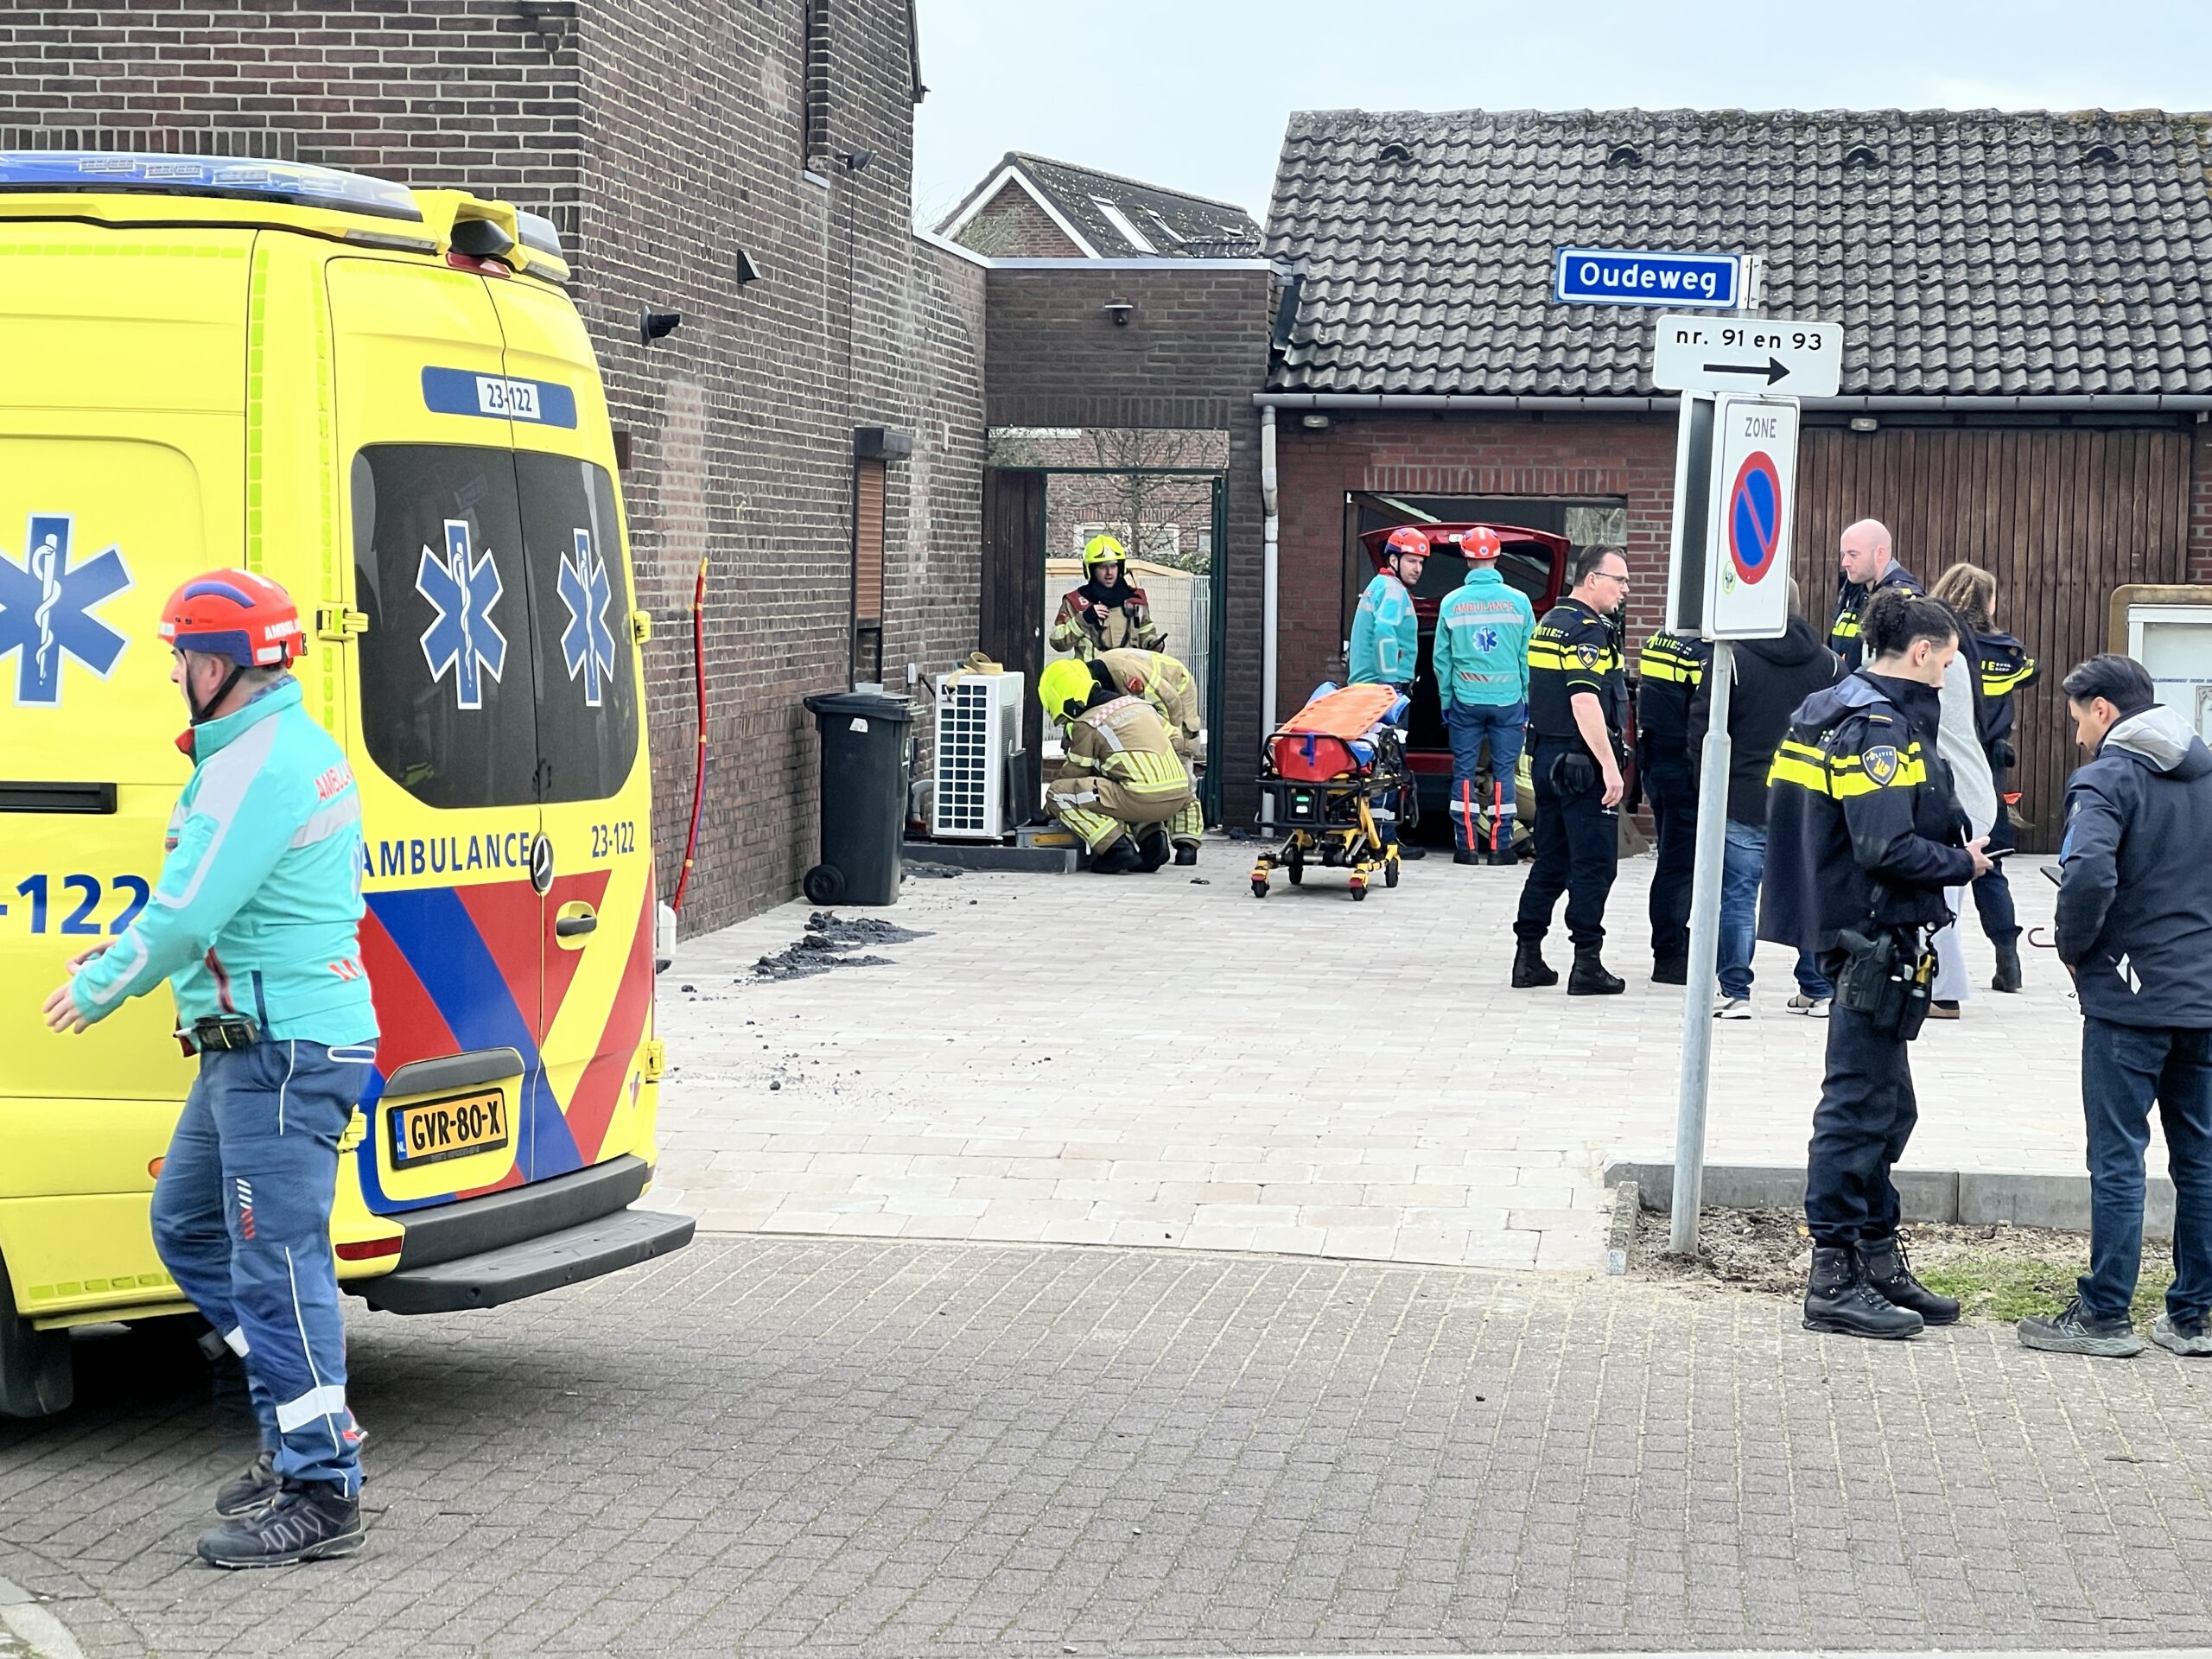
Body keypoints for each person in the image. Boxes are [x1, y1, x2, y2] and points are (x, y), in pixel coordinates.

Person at [39, 570, 378, 1567]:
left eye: (181, 655)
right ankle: (300, 1429)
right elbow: (216, 906)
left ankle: (322, 1486)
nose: (174, 672)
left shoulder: (256, 767)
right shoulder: (263, 749)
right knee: (188, 1226)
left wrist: (102, 985)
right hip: (252, 1047)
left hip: (281, 1051)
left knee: (277, 1264)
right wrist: (125, 952)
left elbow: (188, 917)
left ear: (220, 664)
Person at [1761, 588, 1992, 1338]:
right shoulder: (1879, 726)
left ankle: (1876, 1256)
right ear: (1921, 652)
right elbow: (1883, 845)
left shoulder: (1829, 706)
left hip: (1850, 926)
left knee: (1890, 1107)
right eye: (1946, 663)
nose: (1947, 677)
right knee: (1858, 1106)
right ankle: (1832, 1275)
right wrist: (1962, 863)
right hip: (1871, 935)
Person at [2018, 655, 2212, 1359]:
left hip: (2129, 999)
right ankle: (2195, 1317)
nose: (2077, 737)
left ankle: (2105, 1315)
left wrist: (2075, 947)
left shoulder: (2107, 777)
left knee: (2119, 1158)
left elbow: (2090, 873)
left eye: (2078, 720)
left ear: (2103, 710)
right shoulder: (2207, 772)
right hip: (2203, 999)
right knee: (2201, 1159)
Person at [1687, 578, 1843, 1018]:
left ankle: (1736, 991)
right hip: (1808, 800)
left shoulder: (1731, 662)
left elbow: (1701, 732)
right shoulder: (1832, 666)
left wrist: (1707, 789)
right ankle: (1817, 988)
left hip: (1744, 798)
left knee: (1738, 896)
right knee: (1810, 891)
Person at [1513, 545, 1633, 995]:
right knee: (1594, 865)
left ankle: (1528, 957)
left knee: (1552, 860)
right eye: (1619, 580)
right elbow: (1584, 702)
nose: (1625, 589)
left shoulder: (1549, 623)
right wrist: (1610, 767)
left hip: (1547, 759)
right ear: (1592, 579)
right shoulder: (1587, 631)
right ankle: (1587, 963)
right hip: (1582, 765)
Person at [1931, 563, 2038, 993]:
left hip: (1946, 762)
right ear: (1988, 602)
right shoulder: (2008, 652)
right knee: (1990, 864)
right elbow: (2030, 674)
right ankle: (2007, 959)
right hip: (1989, 764)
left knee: (1942, 862)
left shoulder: (1943, 649)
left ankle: (1941, 969)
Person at [1432, 526, 1534, 866]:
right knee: (1504, 773)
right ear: (1498, 556)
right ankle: (1500, 849)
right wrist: (1526, 700)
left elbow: (1441, 661)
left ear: (1466, 558)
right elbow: (1527, 658)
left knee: (1464, 771)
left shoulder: (1451, 603)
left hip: (1466, 700)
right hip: (1508, 701)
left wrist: (1446, 702)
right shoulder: (1520, 602)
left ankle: (1466, 848)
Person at [1038, 656, 1193, 874]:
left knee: (1059, 794)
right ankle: (1153, 845)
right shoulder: (1139, 705)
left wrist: (1047, 811)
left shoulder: (1088, 723)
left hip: (1142, 798)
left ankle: (1116, 849)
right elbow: (1176, 739)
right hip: (1178, 794)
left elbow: (1074, 773)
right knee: (1122, 783)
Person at [1923, 573, 1999, 1019]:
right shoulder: (1967, 656)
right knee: (1946, 896)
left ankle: (1944, 992)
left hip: (1958, 796)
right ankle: (1940, 986)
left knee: (1942, 897)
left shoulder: (1942, 666)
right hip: (1973, 790)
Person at [1348, 525, 1428, 858]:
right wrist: (1390, 683)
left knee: (1373, 763)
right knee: (1388, 764)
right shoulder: (1393, 590)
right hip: (1382, 692)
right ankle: (1385, 841)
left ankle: (1374, 837)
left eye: (1421, 562)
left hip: (1366, 689)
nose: (1417, 568)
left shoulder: (1378, 586)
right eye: (1411, 560)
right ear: (1393, 560)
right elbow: (1384, 632)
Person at [1637, 626, 1710, 982]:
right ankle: (1669, 953)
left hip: (1657, 764)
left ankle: (1673, 940)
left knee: (1672, 860)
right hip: (1684, 770)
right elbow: (1707, 714)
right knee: (1679, 866)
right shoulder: (1702, 653)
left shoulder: (1659, 638)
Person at [1096, 645, 1205, 866]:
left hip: (1177, 695)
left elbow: (1170, 701)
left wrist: (1167, 738)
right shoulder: (1105, 674)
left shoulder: (1126, 674)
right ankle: (1154, 837)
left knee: (1180, 768)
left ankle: (1187, 845)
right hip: (1160, 701)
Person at [1048, 533, 1165, 660]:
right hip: (1090, 671)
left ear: (1120, 568)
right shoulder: (1075, 601)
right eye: (1103, 567)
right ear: (1091, 570)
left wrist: (1152, 643)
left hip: (1128, 670)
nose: (1109, 573)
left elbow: (1145, 631)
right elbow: (1057, 642)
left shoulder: (1136, 600)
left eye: (1113, 566)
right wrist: (1084, 619)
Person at [1829, 518, 1923, 671]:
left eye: (1853, 555)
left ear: (1880, 553)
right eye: (1843, 554)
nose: (1844, 562)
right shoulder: (1852, 590)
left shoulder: (1905, 600)